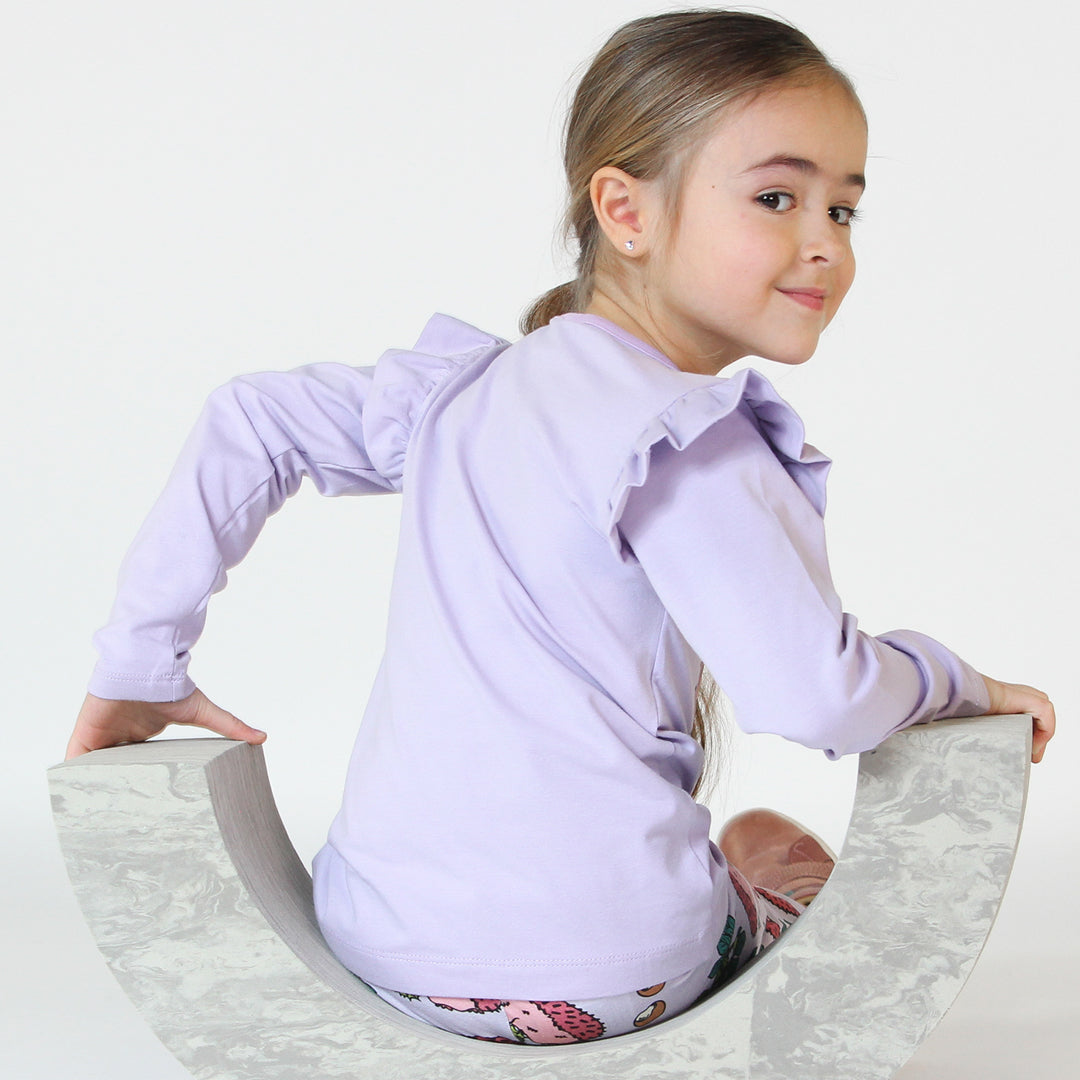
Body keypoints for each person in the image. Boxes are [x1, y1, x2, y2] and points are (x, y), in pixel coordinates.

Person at [65, 9, 1055, 1046]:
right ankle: (764, 889)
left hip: (387, 948)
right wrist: (958, 681)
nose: (825, 246)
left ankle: (739, 868)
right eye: (777, 197)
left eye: (843, 210)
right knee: (766, 848)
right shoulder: (688, 436)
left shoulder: (460, 395)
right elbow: (820, 694)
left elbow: (251, 422)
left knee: (739, 836)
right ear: (625, 211)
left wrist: (139, 660)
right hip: (620, 974)